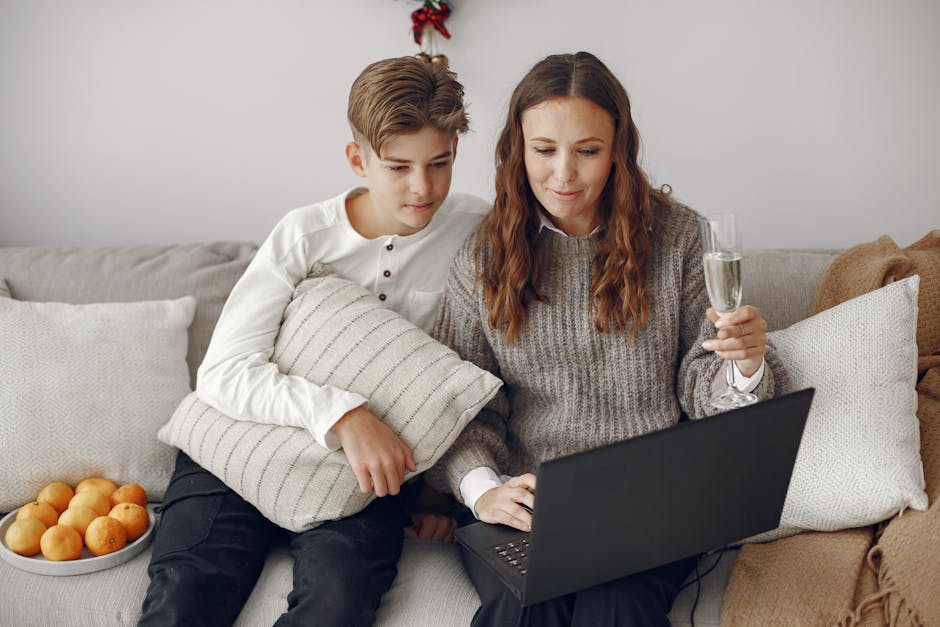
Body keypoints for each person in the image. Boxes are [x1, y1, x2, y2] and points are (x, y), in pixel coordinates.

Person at [427, 51, 783, 626]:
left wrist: (744, 365)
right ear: (517, 149)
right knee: (522, 609)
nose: (564, 174)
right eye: (544, 150)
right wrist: (481, 490)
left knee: (616, 608)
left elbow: (703, 390)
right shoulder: (484, 257)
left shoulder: (679, 238)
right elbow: (459, 405)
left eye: (587, 151)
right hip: (526, 499)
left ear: (619, 148)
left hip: (649, 501)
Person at [139, 56, 489, 627]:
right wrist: (345, 415)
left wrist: (443, 495)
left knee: (339, 603)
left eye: (440, 163)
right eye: (398, 166)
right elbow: (223, 373)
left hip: (365, 479)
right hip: (241, 445)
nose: (422, 188)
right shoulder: (306, 234)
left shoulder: (479, 230)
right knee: (184, 599)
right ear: (358, 159)